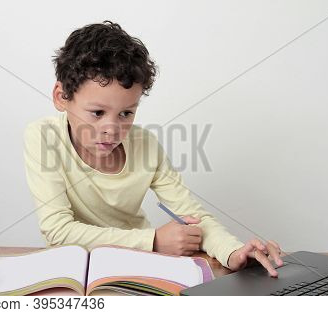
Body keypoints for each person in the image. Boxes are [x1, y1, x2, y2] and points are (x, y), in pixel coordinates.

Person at [23, 21, 283, 276]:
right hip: (73, 271)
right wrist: (154, 240)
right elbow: (58, 231)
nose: (111, 129)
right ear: (61, 97)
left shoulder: (145, 146)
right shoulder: (44, 138)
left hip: (139, 267)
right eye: (97, 112)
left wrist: (234, 251)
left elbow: (191, 215)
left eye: (126, 113)